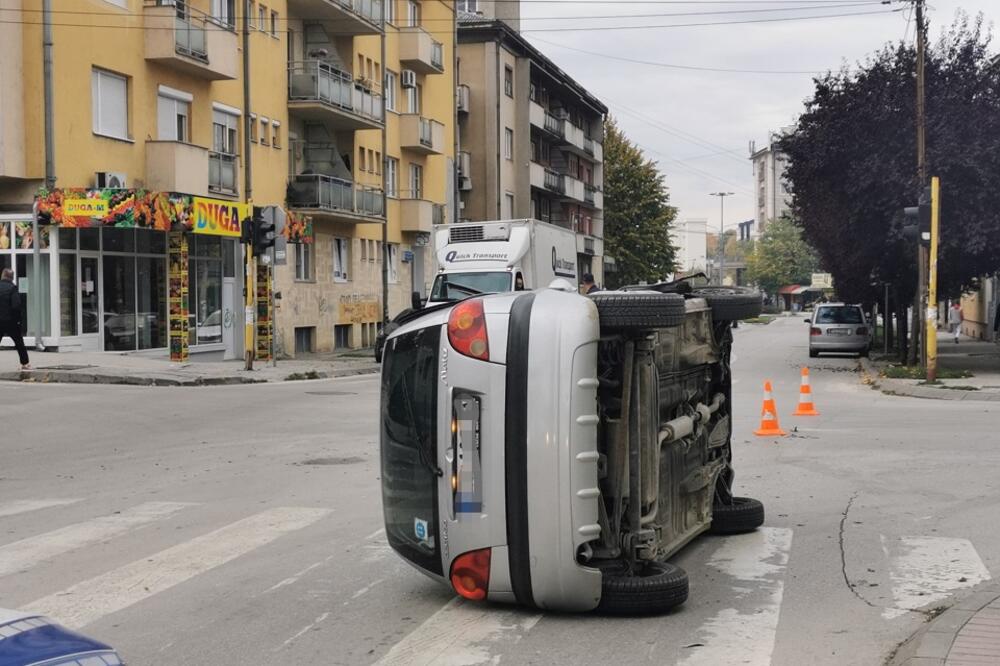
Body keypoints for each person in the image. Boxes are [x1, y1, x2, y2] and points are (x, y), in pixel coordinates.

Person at [0, 268, 31, 370]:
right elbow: (16, 306)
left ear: (3, 275)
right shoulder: (13, 288)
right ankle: (25, 363)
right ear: (11, 278)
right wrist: (18, 320)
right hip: (11, 321)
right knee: (19, 343)